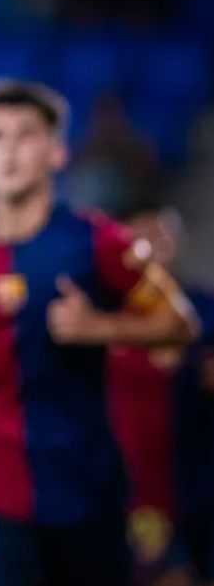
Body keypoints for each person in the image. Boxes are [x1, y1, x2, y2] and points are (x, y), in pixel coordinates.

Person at [0, 79, 200, 586]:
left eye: (25, 135)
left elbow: (181, 323)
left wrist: (98, 326)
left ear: (57, 153)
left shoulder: (98, 242)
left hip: (87, 485)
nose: (9, 150)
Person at [107, 203, 214, 586]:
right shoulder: (104, 315)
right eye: (145, 235)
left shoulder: (204, 308)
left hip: (198, 478)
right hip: (127, 483)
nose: (157, 244)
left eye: (166, 234)